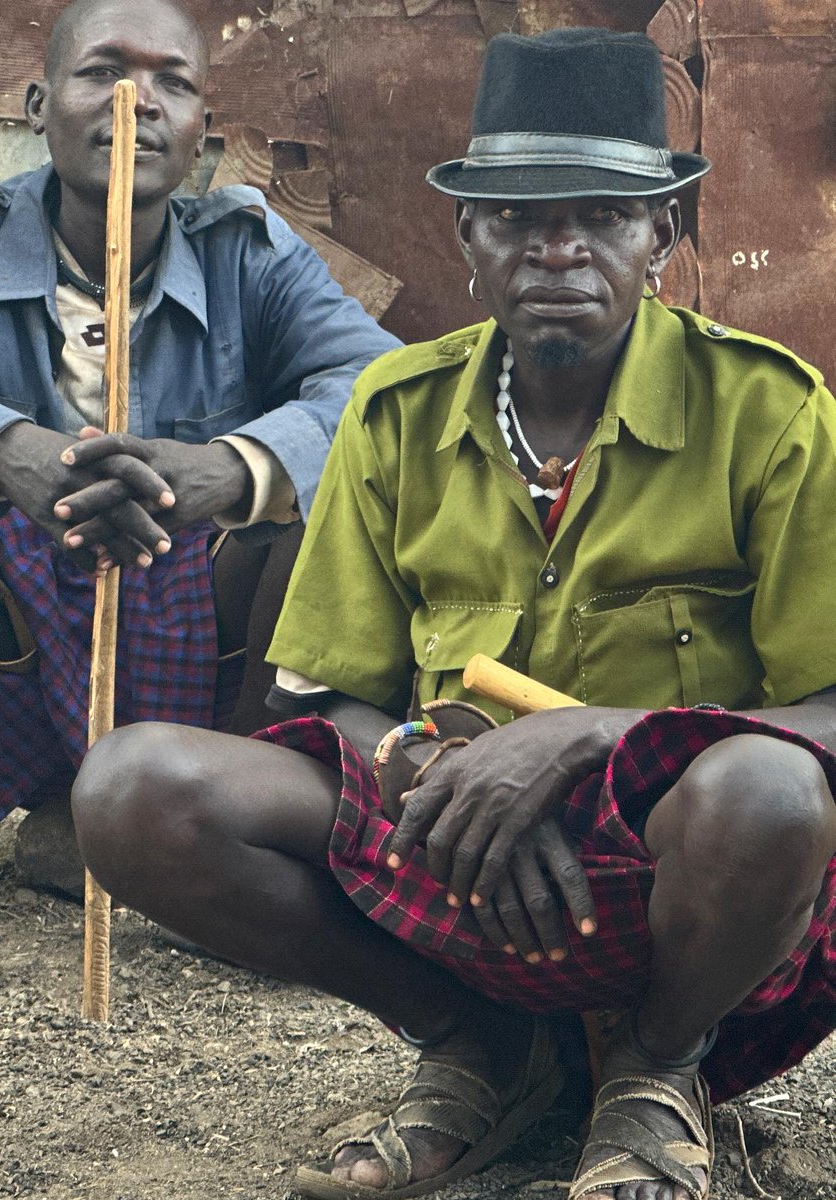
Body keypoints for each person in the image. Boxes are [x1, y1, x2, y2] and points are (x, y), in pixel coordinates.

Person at [72, 28, 836, 1200]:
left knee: (772, 788)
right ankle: (481, 1051)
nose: (559, 248)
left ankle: (653, 1070)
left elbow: (827, 715)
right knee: (131, 789)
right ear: (466, 239)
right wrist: (436, 769)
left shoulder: (769, 414)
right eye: (520, 218)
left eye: (599, 215)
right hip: (451, 835)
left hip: (676, 855)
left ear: (661, 238)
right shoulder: (391, 408)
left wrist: (589, 736)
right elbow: (321, 690)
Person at [0, 0, 399, 999]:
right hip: (6, 641)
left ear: (204, 128)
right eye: (101, 73)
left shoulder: (251, 250)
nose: (136, 102)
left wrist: (231, 468)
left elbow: (390, 393)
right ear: (36, 104)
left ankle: (234, 852)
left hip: (203, 641)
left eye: (173, 81)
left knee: (341, 489)